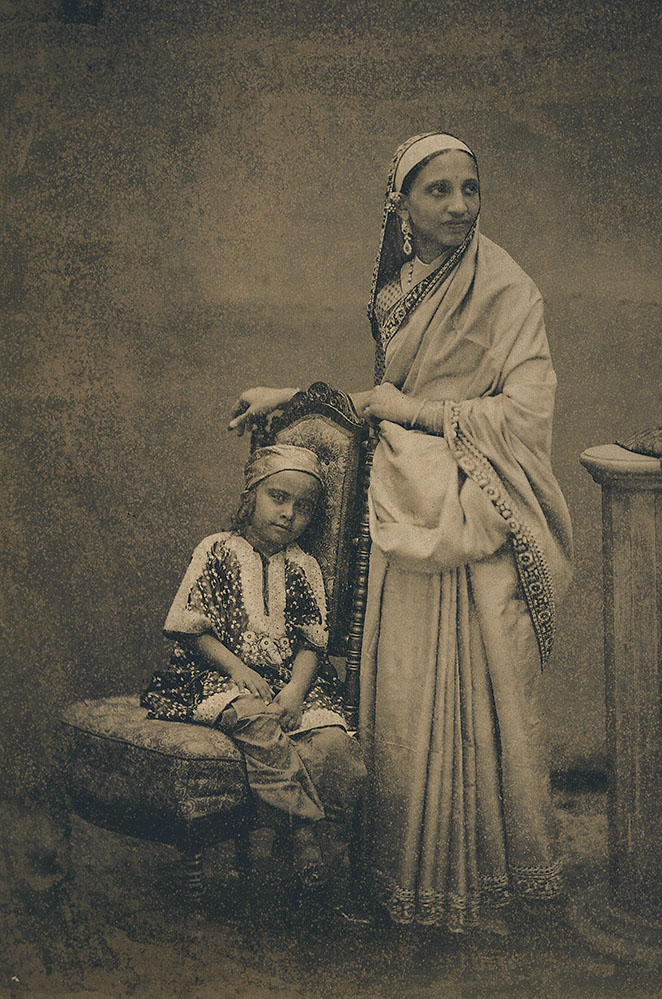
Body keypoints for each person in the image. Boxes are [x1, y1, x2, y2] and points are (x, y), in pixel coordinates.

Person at [229, 133, 573, 932]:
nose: (459, 205)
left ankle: (475, 885)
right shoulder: (404, 280)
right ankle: (401, 879)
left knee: (473, 700)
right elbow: (380, 397)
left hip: (464, 513)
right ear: (401, 205)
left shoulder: (508, 287)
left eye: (470, 189)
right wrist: (293, 394)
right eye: (438, 191)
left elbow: (525, 413)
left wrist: (419, 415)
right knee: (406, 696)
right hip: (400, 503)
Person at [141, 444, 367, 888]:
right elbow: (192, 628)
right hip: (218, 674)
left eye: (302, 507)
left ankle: (328, 851)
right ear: (251, 496)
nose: (288, 514)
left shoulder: (304, 567)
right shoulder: (217, 550)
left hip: (288, 680)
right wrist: (238, 671)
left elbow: (311, 641)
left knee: (334, 742)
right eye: (278, 497)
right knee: (257, 721)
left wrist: (296, 693)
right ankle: (303, 832)